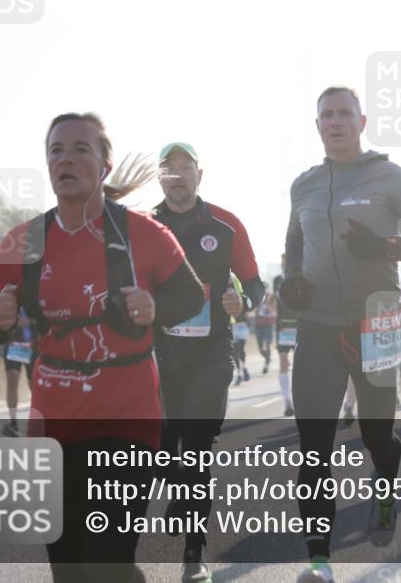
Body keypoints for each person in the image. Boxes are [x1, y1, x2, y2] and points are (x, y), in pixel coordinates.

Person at [0, 112, 204, 582]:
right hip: (52, 425)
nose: (66, 159)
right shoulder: (23, 241)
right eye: (56, 150)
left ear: (104, 165)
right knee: (69, 572)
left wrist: (154, 307)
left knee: (104, 563)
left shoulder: (143, 233)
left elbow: (190, 297)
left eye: (81, 149)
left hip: (126, 421)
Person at [282, 86, 401, 583]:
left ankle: (386, 482)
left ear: (362, 122)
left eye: (344, 114)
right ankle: (319, 560)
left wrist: (386, 246)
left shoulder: (389, 176)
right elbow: (293, 243)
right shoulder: (304, 185)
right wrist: (291, 279)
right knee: (313, 447)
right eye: (326, 115)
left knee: (377, 435)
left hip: (375, 323)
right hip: (317, 325)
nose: (335, 122)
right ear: (317, 125)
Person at [152, 141, 264, 583]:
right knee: (162, 450)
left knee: (197, 450)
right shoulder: (144, 226)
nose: (178, 175)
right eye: (169, 167)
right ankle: (179, 487)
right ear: (160, 176)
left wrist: (243, 302)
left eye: (186, 167)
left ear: (200, 174)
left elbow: (255, 285)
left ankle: (193, 554)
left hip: (210, 355)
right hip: (158, 357)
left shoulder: (226, 225)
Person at [1, 306, 36, 437]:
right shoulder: (9, 296)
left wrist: (30, 321)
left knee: (34, 385)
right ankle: (13, 423)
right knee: (12, 379)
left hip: (33, 343)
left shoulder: (34, 295)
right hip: (13, 343)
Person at [273, 255, 298, 417]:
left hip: (298, 325)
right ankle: (287, 402)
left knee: (300, 364)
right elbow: (277, 300)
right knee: (283, 362)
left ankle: (300, 399)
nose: (284, 265)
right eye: (282, 262)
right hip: (282, 327)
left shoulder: (299, 278)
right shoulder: (277, 280)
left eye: (286, 262)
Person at [255, 289, 277, 373]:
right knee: (260, 350)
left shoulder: (271, 297)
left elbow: (273, 309)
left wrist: (268, 303)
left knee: (267, 345)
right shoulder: (257, 298)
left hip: (268, 325)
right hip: (259, 325)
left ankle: (266, 364)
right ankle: (268, 359)